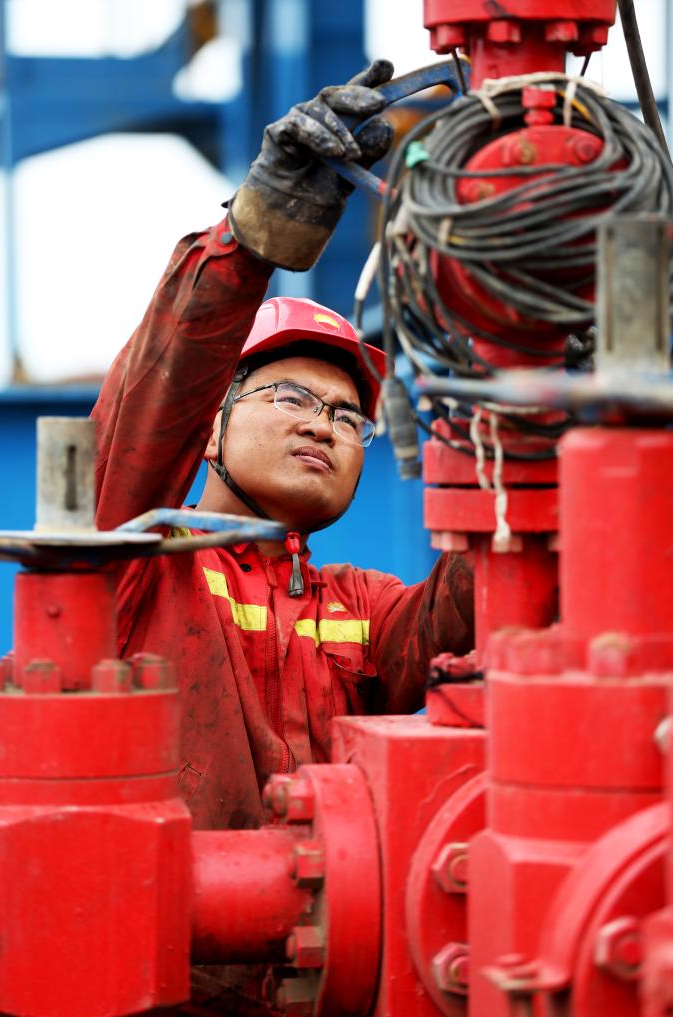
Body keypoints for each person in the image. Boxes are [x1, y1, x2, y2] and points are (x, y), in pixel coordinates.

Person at [92, 59, 474, 835]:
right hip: (168, 919)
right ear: (210, 425)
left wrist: (542, 407)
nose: (322, 425)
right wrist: (251, 235)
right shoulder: (143, 564)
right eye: (293, 397)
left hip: (335, 914)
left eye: (348, 417)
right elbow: (158, 395)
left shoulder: (364, 608)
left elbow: (487, 589)